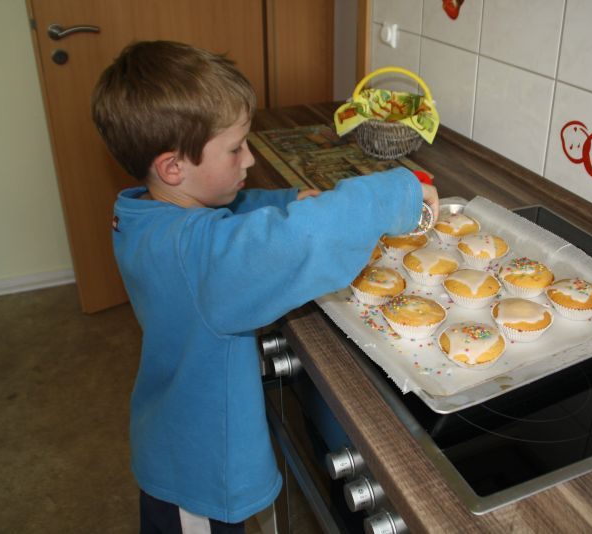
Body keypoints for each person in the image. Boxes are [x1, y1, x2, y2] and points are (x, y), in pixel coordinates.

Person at [91, 40, 438, 533]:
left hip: (170, 430)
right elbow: (290, 243)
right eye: (235, 149)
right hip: (199, 474)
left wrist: (291, 199)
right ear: (173, 167)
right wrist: (395, 195)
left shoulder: (150, 212)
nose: (249, 160)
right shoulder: (198, 256)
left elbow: (231, 215)